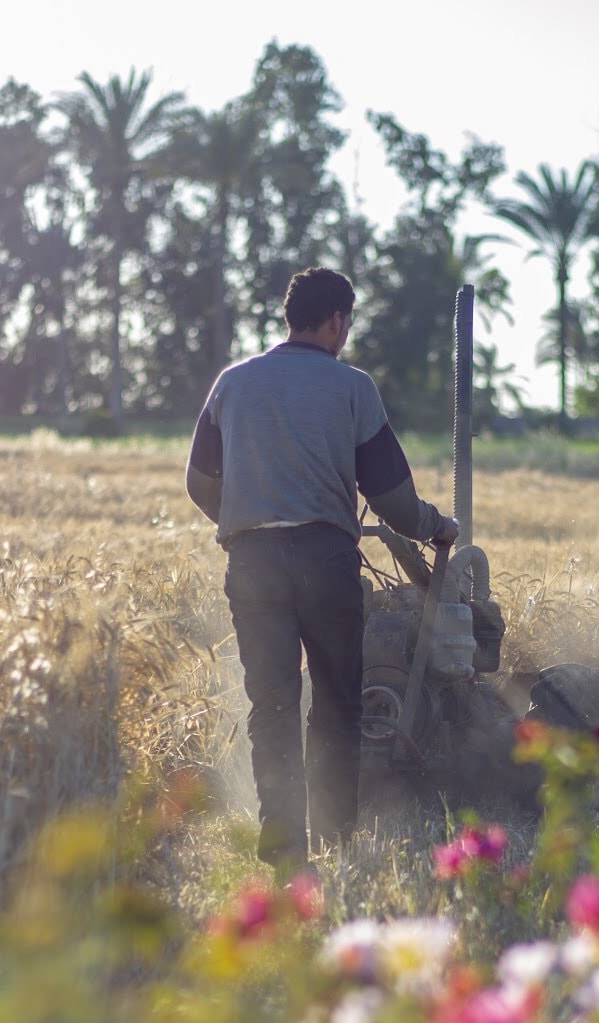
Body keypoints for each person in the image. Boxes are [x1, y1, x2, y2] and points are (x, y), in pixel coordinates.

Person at [185, 266, 457, 867]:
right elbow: (391, 499)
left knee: (273, 704)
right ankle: (336, 840)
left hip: (251, 563)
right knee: (336, 699)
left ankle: (284, 847)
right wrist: (436, 525)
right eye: (348, 321)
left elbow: (200, 482)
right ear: (336, 320)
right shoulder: (351, 387)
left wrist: (246, 519)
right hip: (324, 560)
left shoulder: (231, 383)